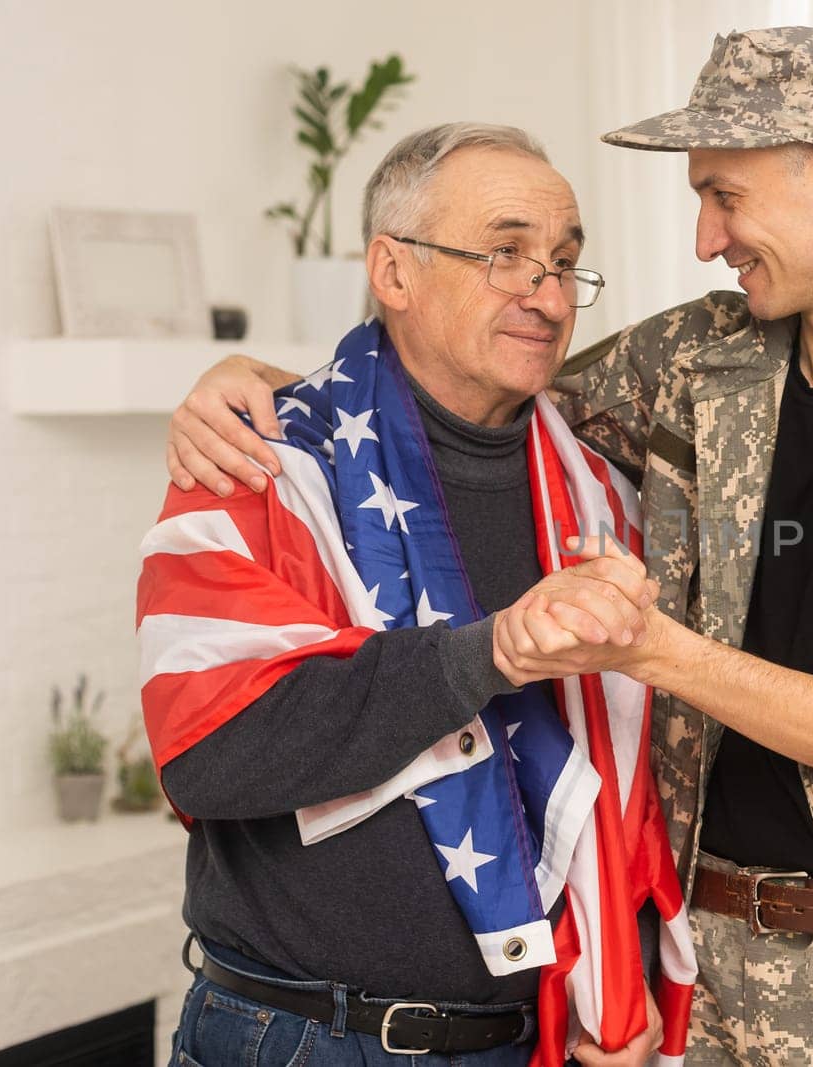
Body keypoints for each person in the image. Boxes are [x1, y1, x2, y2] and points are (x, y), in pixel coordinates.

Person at [166, 27, 813, 1066]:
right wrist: (266, 384)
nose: (706, 238)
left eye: (725, 195)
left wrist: (647, 648)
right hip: (701, 967)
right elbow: (465, 383)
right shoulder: (695, 358)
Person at [139, 123, 690, 1067]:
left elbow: (627, 764)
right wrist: (489, 655)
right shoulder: (258, 462)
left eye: (564, 262)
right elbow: (212, 752)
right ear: (393, 273)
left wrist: (620, 977)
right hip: (307, 1036)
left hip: (538, 1038)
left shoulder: (606, 492)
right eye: (505, 254)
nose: (548, 295)